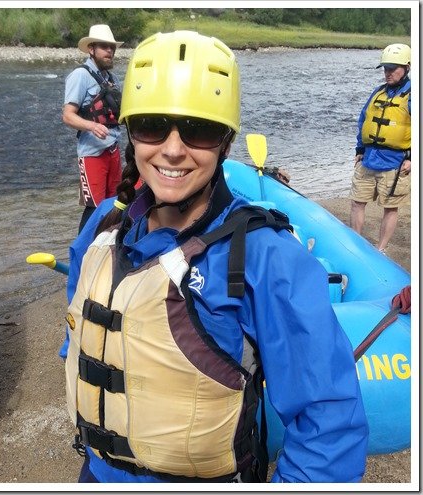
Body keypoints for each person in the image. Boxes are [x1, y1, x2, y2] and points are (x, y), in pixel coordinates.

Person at [62, 30, 368, 483]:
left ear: (225, 142)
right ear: (130, 132)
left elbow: (329, 426)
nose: (171, 149)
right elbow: (78, 336)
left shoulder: (264, 257)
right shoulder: (106, 224)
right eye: (151, 125)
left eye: (199, 130)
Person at [349, 43, 411, 253]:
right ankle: (355, 244)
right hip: (369, 159)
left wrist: (412, 158)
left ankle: (381, 249)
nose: (388, 73)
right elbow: (363, 120)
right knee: (357, 202)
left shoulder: (413, 96)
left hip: (395, 163)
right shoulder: (378, 93)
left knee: (390, 207)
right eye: (386, 68)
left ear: (407, 67)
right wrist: (359, 149)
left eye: (393, 68)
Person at [63, 24, 124, 233]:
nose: (110, 51)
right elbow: (68, 115)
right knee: (94, 208)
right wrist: (92, 126)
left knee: (113, 204)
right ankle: (80, 255)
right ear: (91, 49)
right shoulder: (80, 76)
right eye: (105, 47)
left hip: (113, 149)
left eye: (112, 48)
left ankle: (106, 248)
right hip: (92, 153)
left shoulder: (112, 79)